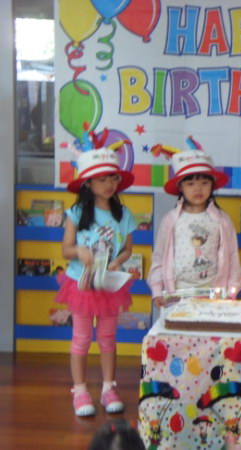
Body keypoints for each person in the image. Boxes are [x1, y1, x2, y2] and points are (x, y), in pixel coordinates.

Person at [56, 147, 136, 417]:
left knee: (108, 338)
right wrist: (80, 251)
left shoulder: (124, 214)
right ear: (88, 183)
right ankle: (80, 391)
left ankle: (108, 388)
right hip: (81, 285)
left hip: (109, 285)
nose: (109, 183)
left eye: (113, 177)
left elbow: (127, 249)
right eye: (102, 179)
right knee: (80, 339)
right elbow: (66, 249)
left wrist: (118, 261)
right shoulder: (76, 212)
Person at [148, 140, 241, 306]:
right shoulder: (171, 219)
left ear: (212, 185)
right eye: (190, 184)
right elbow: (159, 257)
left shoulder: (222, 220)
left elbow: (232, 256)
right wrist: (157, 290)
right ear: (180, 187)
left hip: (213, 294)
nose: (198, 189)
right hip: (177, 293)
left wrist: (231, 291)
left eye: (204, 183)